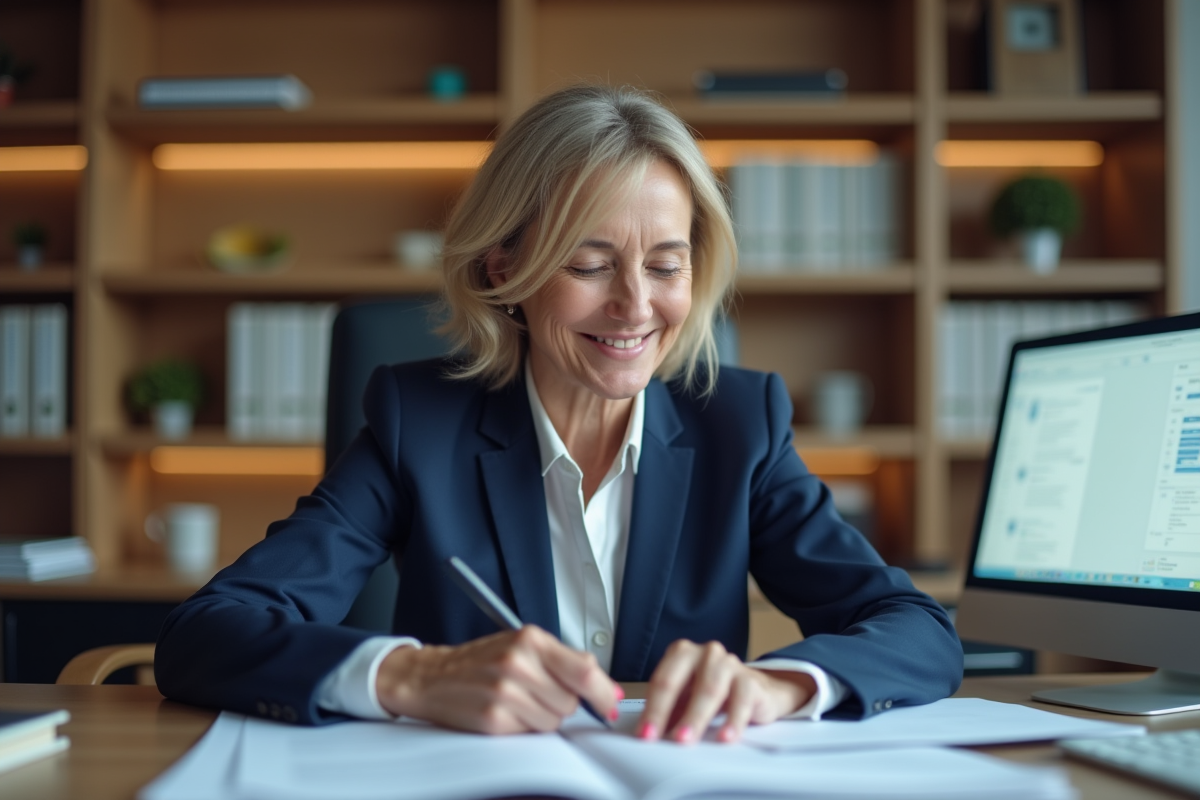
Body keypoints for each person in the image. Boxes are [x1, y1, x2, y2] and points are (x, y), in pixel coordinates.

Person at [155, 84, 962, 743]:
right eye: (590, 263)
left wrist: (780, 685)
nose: (635, 306)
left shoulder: (740, 425)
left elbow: (916, 628)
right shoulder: (419, 422)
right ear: (505, 267)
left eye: (665, 265)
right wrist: (410, 677)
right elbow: (207, 633)